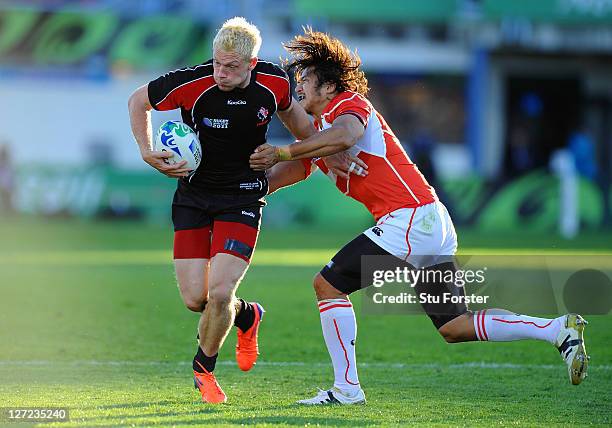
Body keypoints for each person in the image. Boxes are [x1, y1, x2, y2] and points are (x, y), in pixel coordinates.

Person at [250, 29, 589, 405]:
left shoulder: (348, 105)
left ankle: (346, 390)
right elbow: (294, 170)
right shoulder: (319, 135)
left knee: (327, 285)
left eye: (306, 79)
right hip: (426, 221)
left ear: (329, 86)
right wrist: (244, 187)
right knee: (453, 326)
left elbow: (346, 136)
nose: (299, 86)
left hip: (408, 219)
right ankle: (558, 330)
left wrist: (282, 151)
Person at [128, 17, 364, 404]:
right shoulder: (193, 83)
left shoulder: (274, 84)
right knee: (195, 299)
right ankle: (247, 316)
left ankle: (203, 372)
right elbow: (138, 100)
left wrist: (330, 154)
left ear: (252, 64)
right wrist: (145, 148)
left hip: (242, 198)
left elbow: (302, 126)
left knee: (220, 293)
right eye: (218, 63)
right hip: (193, 197)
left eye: (232, 67)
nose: (221, 72)